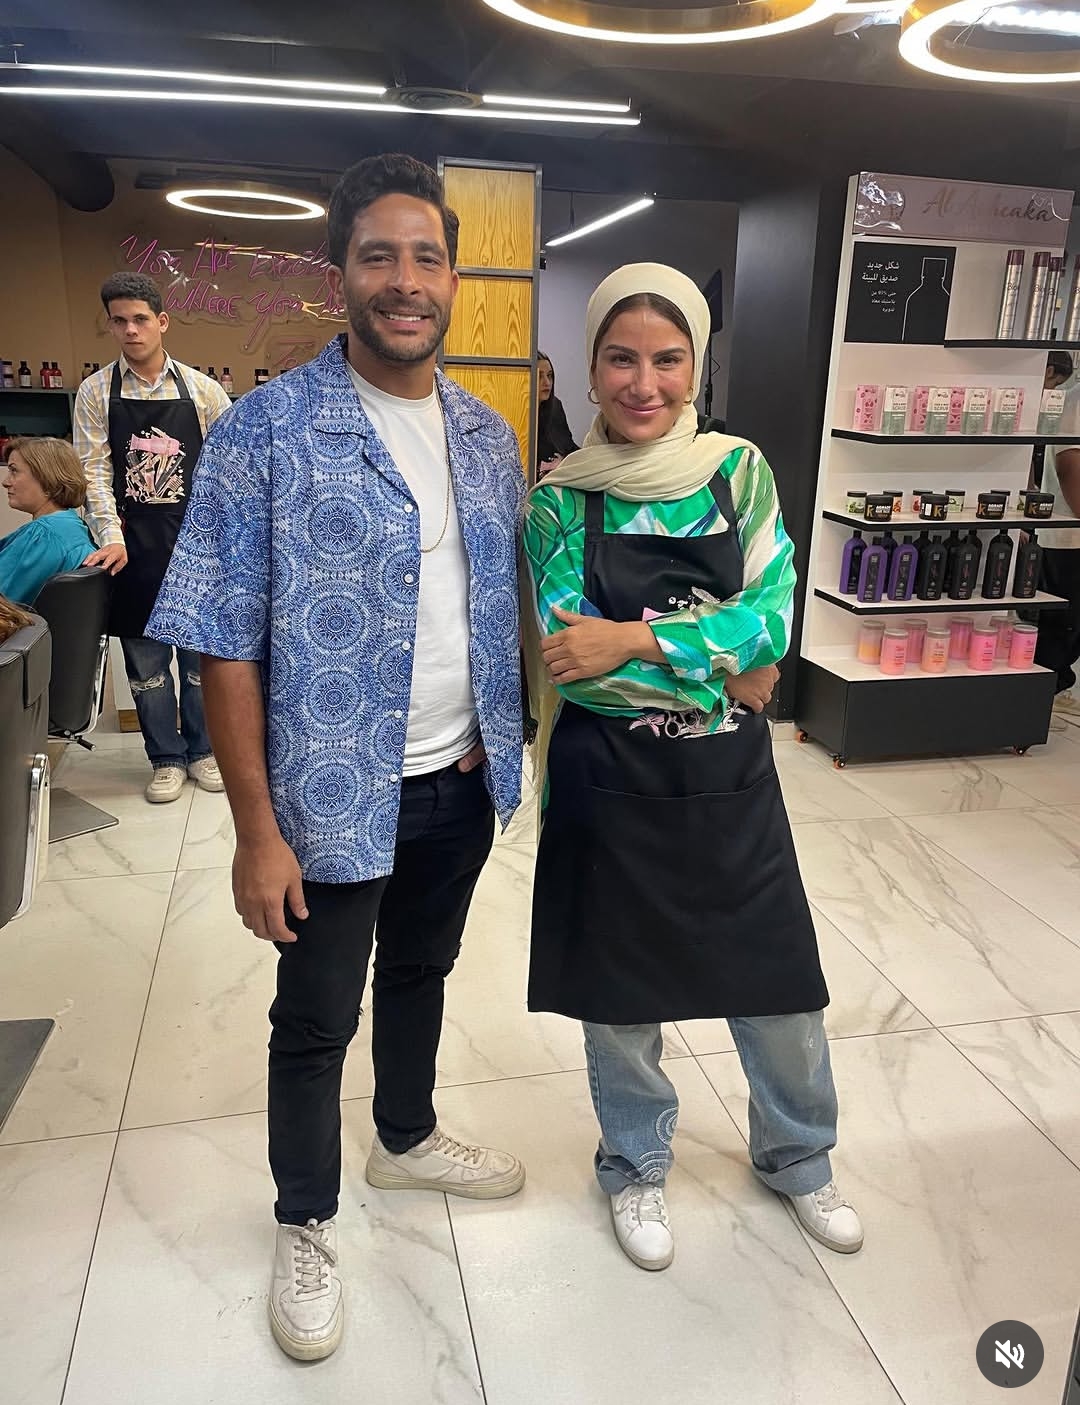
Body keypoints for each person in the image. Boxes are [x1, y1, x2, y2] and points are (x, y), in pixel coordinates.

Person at [147, 152, 527, 1362]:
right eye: (379, 256)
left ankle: (405, 1137)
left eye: (427, 258)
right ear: (340, 274)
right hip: (328, 800)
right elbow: (223, 644)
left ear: (453, 278)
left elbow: (504, 605)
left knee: (423, 972)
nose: (405, 281)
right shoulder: (263, 434)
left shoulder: (487, 437)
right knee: (315, 1020)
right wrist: (256, 832)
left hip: (460, 776)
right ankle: (305, 1217)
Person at [522, 263, 862, 1273]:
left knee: (779, 980)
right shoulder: (559, 501)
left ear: (697, 366)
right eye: (621, 359)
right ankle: (634, 1163)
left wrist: (633, 639)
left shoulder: (737, 473)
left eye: (668, 360)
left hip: (727, 785)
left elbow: (775, 621)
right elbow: (574, 663)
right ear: (591, 368)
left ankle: (798, 1156)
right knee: (621, 993)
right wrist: (720, 670)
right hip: (608, 777)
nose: (645, 383)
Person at [73, 271, 233, 803]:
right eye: (119, 321)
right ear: (110, 325)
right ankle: (165, 758)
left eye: (140, 319)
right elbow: (94, 472)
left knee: (199, 664)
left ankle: (204, 750)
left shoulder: (204, 391)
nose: (131, 330)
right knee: (146, 667)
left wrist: (222, 540)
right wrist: (111, 536)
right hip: (132, 549)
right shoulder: (96, 392)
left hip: (196, 548)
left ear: (161, 322)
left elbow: (227, 473)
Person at [1034, 350, 1080, 708]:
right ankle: (1035, 702)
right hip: (1068, 538)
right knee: (1059, 633)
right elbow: (1069, 466)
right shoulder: (1073, 401)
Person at [0, 437, 95, 605]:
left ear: (47, 478)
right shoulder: (73, 526)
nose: (5, 482)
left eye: (14, 471)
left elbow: (4, 606)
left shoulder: (43, 536)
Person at [536, 351, 579, 478]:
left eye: (549, 376)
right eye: (539, 376)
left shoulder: (555, 406)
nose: (547, 383)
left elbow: (568, 446)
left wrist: (565, 462)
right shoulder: (520, 413)